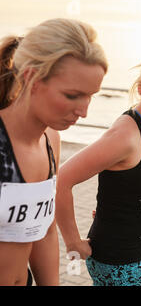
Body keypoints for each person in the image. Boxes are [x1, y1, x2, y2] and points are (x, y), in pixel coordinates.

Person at [56, 45, 141, 286]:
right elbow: (62, 180)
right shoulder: (126, 135)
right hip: (116, 261)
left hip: (129, 256)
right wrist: (73, 243)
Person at [0, 18, 107, 286]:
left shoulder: (51, 140)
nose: (84, 111)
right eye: (72, 96)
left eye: (90, 96)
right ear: (31, 78)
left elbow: (43, 230)